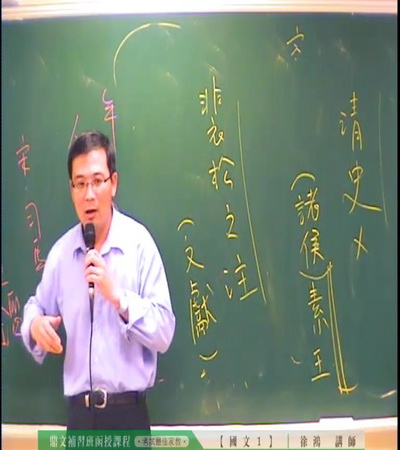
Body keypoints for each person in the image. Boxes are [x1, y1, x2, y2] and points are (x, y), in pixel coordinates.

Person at [21, 130, 176, 431]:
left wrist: (119, 298)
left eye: (97, 181)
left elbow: (164, 332)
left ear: (113, 183)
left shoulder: (139, 244)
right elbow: (35, 306)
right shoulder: (62, 254)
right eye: (80, 184)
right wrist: (35, 324)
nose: (89, 194)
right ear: (72, 189)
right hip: (80, 417)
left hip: (128, 416)